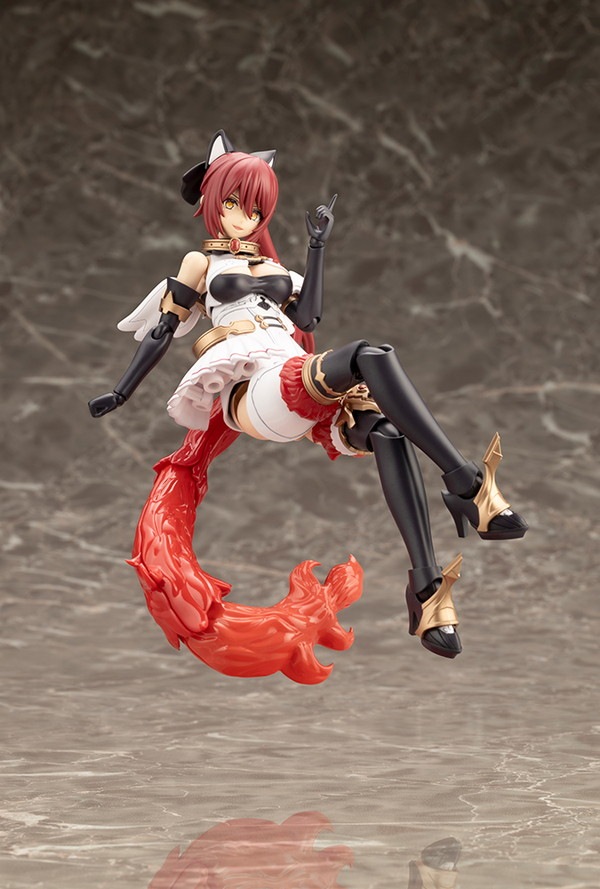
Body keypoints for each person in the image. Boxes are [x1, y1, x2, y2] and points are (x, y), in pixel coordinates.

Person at [89, 130, 527, 661]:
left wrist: (317, 247)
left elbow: (309, 318)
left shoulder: (277, 269)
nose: (245, 217)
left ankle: (427, 589)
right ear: (213, 201)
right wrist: (122, 391)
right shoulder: (201, 264)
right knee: (370, 355)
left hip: (291, 371)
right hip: (251, 385)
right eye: (234, 204)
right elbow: (163, 331)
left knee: (388, 433)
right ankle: (466, 483)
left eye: (256, 209)